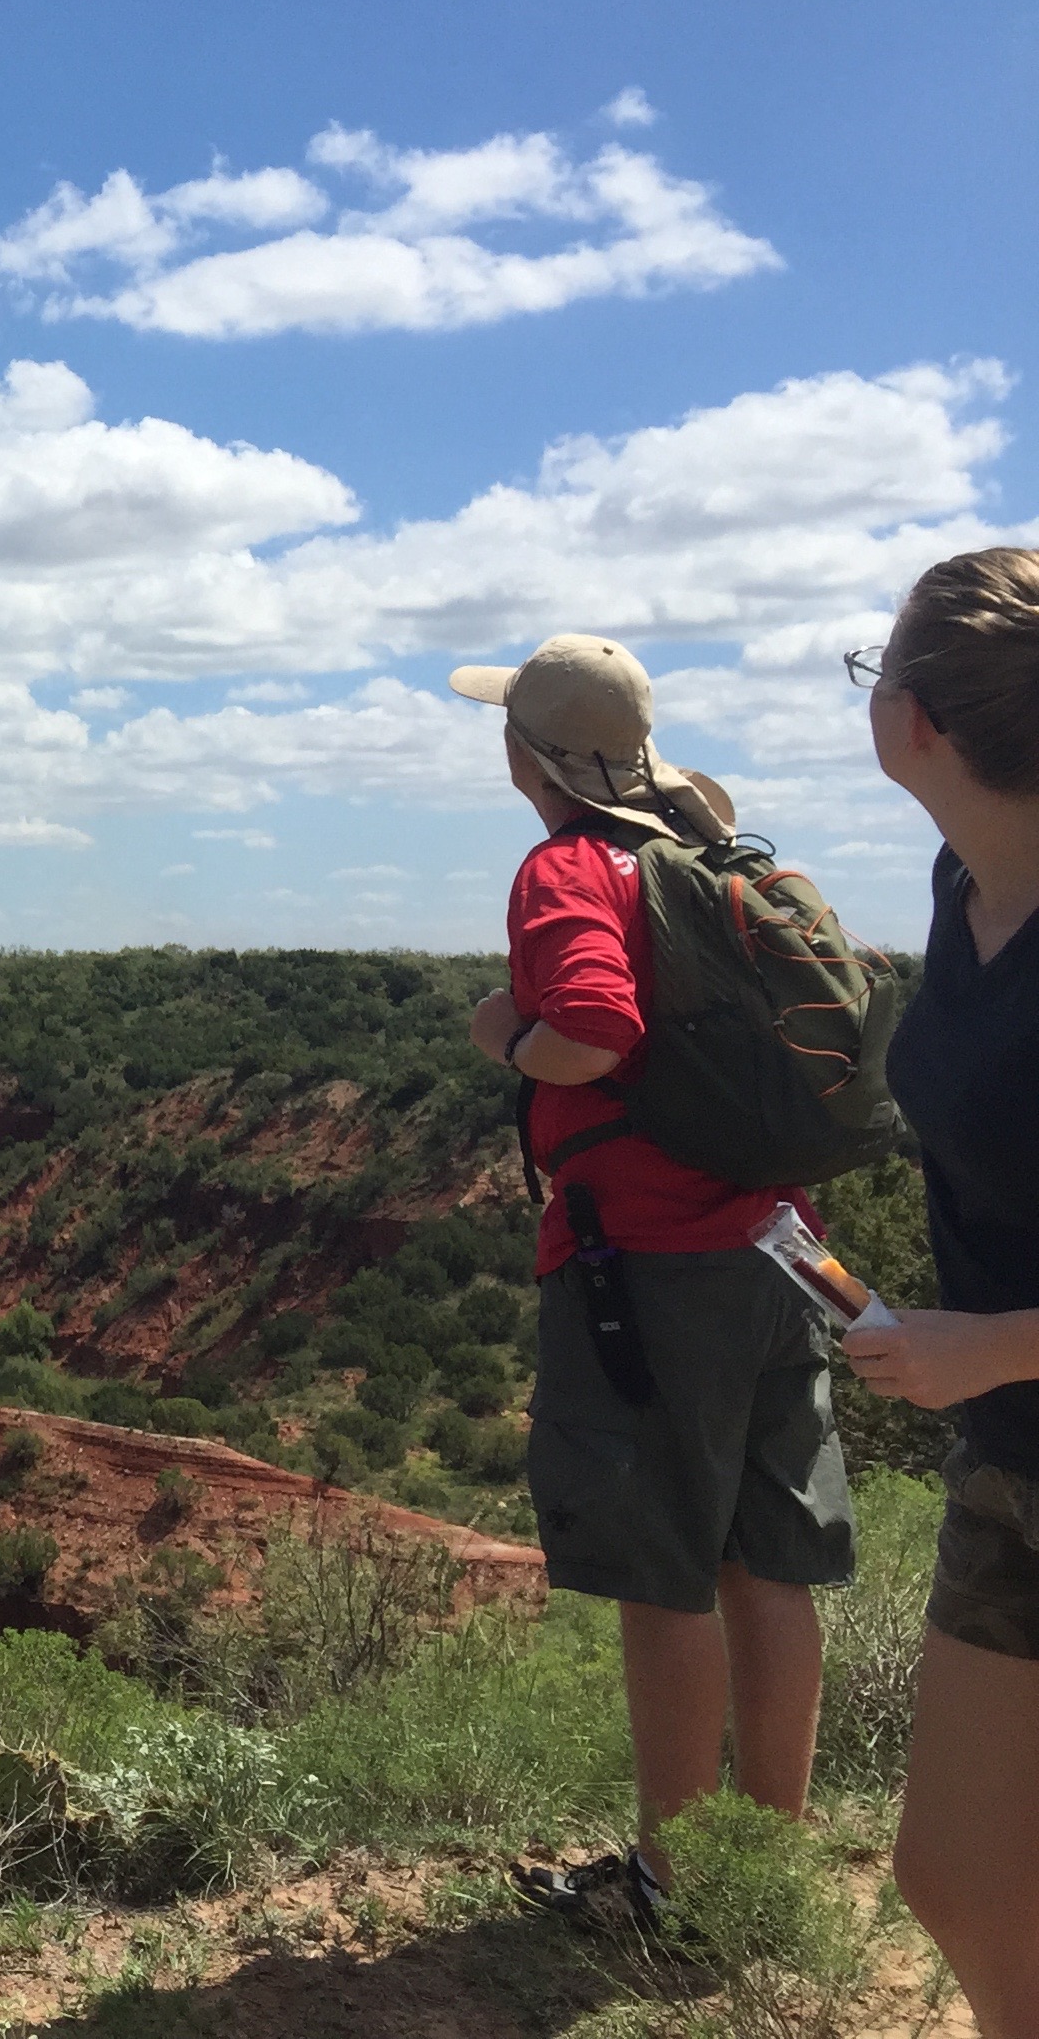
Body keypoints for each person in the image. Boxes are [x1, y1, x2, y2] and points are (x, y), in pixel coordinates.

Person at [451, 633, 851, 1925]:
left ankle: (672, 1891)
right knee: (767, 1560)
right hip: (782, 1253)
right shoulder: (704, 854)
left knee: (667, 1571)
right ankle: (762, 1876)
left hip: (652, 1270)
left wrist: (505, 1033)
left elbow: (595, 1030)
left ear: (530, 756)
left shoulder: (571, 863)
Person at [845, 547, 1039, 2035]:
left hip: (1013, 1393)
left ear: (915, 720)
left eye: (872, 672)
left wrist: (996, 1343)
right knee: (961, 1876)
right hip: (1014, 1455)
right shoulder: (963, 878)